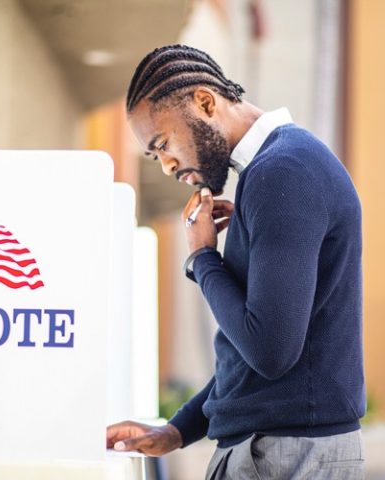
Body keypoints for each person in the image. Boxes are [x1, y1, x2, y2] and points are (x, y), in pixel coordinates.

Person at [107, 44, 366, 479]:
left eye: (163, 144)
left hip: (283, 456)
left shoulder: (280, 172)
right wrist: (177, 430)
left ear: (205, 102)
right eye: (155, 156)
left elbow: (270, 351)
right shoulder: (278, 169)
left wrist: (202, 258)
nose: (168, 166)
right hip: (285, 449)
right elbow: (255, 359)